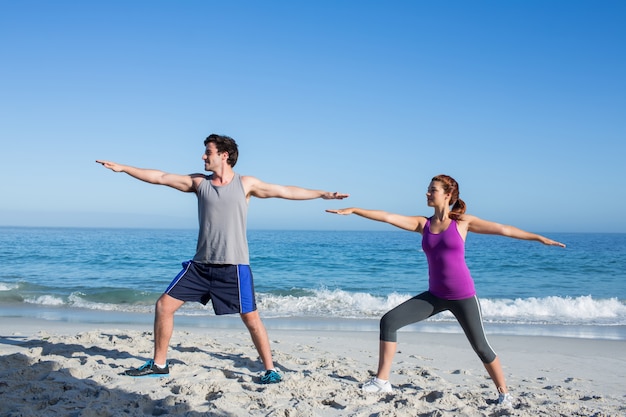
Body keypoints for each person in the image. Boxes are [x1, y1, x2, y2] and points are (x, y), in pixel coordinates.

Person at [96, 133, 348, 383]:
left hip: (234, 267)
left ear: (223, 155)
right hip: (200, 266)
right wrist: (123, 168)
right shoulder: (199, 183)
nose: (203, 156)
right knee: (164, 306)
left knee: (251, 319)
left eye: (208, 151)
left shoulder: (245, 184)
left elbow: (284, 191)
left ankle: (270, 369)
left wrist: (322, 194)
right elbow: (161, 177)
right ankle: (159, 364)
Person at [326, 174, 565, 406]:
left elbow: (504, 229)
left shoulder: (463, 222)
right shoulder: (424, 224)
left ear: (448, 194)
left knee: (481, 347)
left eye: (433, 190)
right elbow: (388, 216)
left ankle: (504, 394)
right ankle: (382, 381)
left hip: (463, 297)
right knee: (389, 321)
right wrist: (356, 210)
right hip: (435, 296)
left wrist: (539, 238)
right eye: (428, 189)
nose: (427, 193)